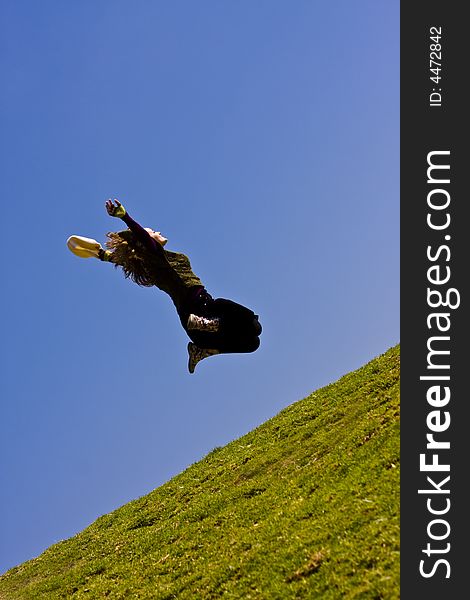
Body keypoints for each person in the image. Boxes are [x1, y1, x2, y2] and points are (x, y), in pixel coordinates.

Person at [67, 199, 262, 373]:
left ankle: (204, 350)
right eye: (153, 232)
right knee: (252, 323)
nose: (157, 232)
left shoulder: (152, 267)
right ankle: (212, 325)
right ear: (148, 240)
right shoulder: (158, 258)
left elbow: (130, 258)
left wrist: (103, 255)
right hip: (202, 312)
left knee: (253, 342)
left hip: (197, 330)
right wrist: (125, 217)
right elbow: (143, 239)